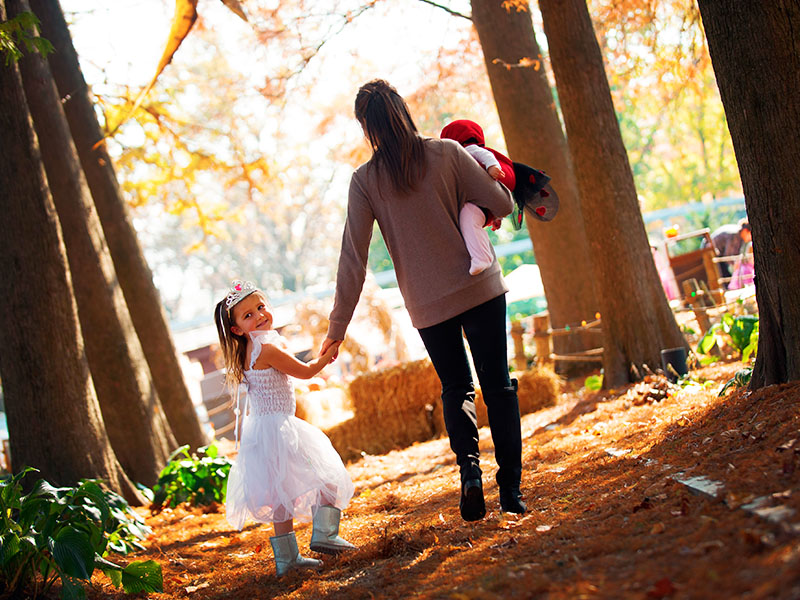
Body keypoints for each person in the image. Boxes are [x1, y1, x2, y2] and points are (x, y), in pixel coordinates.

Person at [321, 80, 526, 522]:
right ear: (403, 110)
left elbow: (353, 260)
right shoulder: (448, 153)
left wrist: (336, 330)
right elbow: (502, 203)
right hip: (481, 289)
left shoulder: (364, 182)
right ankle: (510, 490)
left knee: (456, 387)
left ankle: (469, 473)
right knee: (498, 384)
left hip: (429, 304)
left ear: (366, 128)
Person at [214, 280, 355, 578]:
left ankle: (287, 560)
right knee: (327, 477)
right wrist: (328, 355)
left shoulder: (248, 349)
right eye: (248, 315)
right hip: (279, 427)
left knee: (281, 499)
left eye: (261, 307)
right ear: (237, 329)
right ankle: (325, 535)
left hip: (263, 431)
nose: (260, 315)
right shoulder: (265, 346)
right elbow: (304, 372)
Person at [440, 119, 558, 275]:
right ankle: (482, 248)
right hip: (486, 200)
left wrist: (492, 167)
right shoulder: (464, 155)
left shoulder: (467, 151)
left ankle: (481, 256)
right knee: (471, 221)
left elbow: (485, 155)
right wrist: (496, 215)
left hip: (484, 195)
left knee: (468, 219)